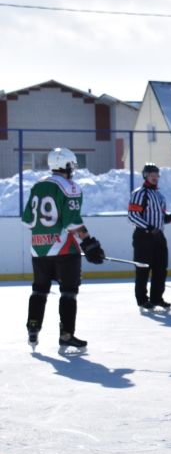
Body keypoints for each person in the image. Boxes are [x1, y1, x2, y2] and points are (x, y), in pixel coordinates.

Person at [23, 147, 106, 354]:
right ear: (67, 165)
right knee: (69, 292)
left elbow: (26, 220)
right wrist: (89, 242)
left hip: (38, 249)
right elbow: (71, 222)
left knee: (39, 289)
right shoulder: (70, 187)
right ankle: (66, 335)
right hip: (64, 249)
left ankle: (33, 327)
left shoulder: (37, 186)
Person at [128, 162, 171, 312]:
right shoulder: (139, 193)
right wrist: (148, 227)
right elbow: (133, 215)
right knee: (143, 269)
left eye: (157, 175)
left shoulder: (159, 195)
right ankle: (142, 300)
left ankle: (156, 298)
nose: (155, 177)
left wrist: (166, 217)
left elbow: (161, 213)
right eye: (151, 175)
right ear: (145, 176)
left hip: (159, 236)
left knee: (161, 268)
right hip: (143, 236)